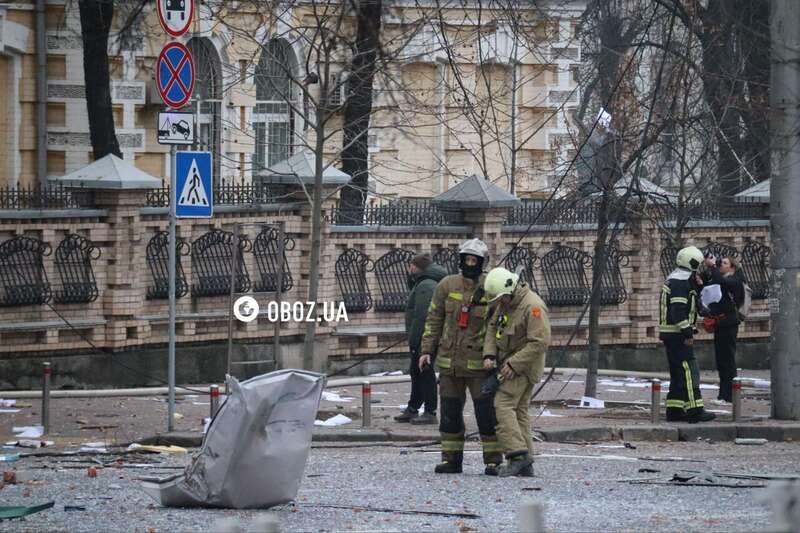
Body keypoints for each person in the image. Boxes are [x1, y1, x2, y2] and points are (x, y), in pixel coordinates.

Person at [419, 238, 503, 475]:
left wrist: (493, 357)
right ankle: (451, 460)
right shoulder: (446, 285)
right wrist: (427, 351)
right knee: (449, 415)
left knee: (487, 416)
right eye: (466, 259)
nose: (469, 263)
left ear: (482, 262)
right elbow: (433, 320)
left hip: (480, 367)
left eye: (474, 260)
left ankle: (493, 460)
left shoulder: (491, 289)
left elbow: (498, 327)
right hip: (449, 366)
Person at [482, 267, 551, 477]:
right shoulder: (507, 304)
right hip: (509, 364)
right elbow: (493, 328)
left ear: (509, 290)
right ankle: (525, 461)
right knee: (519, 411)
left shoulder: (533, 307)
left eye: (500, 298)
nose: (498, 302)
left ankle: (517, 456)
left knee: (503, 405)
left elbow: (539, 342)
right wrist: (490, 355)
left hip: (523, 367)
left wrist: (514, 364)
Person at [659, 246, 716, 423]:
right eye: (698, 264)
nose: (699, 268)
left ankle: (675, 410)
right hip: (678, 335)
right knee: (690, 372)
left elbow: (691, 302)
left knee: (678, 373)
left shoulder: (679, 279)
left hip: (671, 335)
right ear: (693, 263)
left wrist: (699, 288)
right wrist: (687, 333)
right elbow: (678, 312)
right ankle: (695, 410)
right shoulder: (679, 282)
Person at [395, 254, 446, 424]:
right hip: (423, 336)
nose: (408, 269)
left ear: (416, 267)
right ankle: (413, 408)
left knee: (425, 373)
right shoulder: (423, 282)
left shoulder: (426, 285)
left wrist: (415, 339)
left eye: (410, 266)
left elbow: (421, 316)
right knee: (417, 372)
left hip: (423, 338)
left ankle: (430, 412)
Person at [702, 254, 746, 403]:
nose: (721, 264)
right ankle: (723, 394)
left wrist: (713, 266)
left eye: (724, 263)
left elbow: (722, 283)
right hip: (720, 324)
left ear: (732, 267)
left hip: (729, 324)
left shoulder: (735, 280)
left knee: (728, 360)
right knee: (721, 361)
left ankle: (729, 395)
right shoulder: (723, 279)